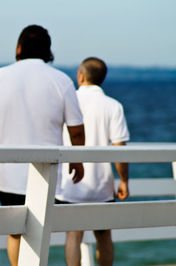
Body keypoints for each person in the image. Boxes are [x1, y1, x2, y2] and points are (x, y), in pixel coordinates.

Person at [0, 24, 85, 266]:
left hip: (6, 173)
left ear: (19, 48)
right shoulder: (61, 80)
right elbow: (76, 129)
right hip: (46, 173)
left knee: (15, 231)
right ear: (48, 51)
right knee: (39, 230)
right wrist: (77, 159)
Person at [55, 57, 130, 266]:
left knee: (73, 235)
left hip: (70, 181)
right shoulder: (113, 106)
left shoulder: (68, 101)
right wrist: (124, 181)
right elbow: (119, 149)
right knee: (104, 235)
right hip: (102, 184)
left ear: (80, 75)